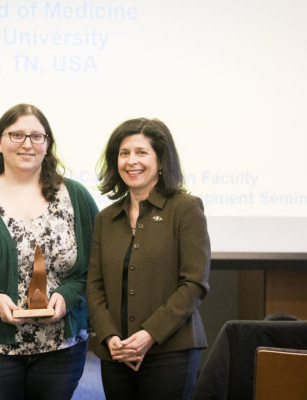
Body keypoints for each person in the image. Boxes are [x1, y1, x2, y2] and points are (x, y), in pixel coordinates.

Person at [0, 103, 99, 400]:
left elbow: (94, 269)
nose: (27, 144)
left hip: (61, 348)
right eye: (17, 135)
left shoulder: (76, 197)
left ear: (47, 144)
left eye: (37, 136)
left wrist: (66, 297)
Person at [86, 118, 211, 400]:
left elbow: (194, 284)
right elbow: (94, 286)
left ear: (162, 161)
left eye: (142, 152)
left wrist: (147, 336)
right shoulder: (106, 218)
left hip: (171, 352)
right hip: (116, 353)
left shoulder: (186, 209)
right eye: (124, 153)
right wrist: (109, 337)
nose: (132, 161)